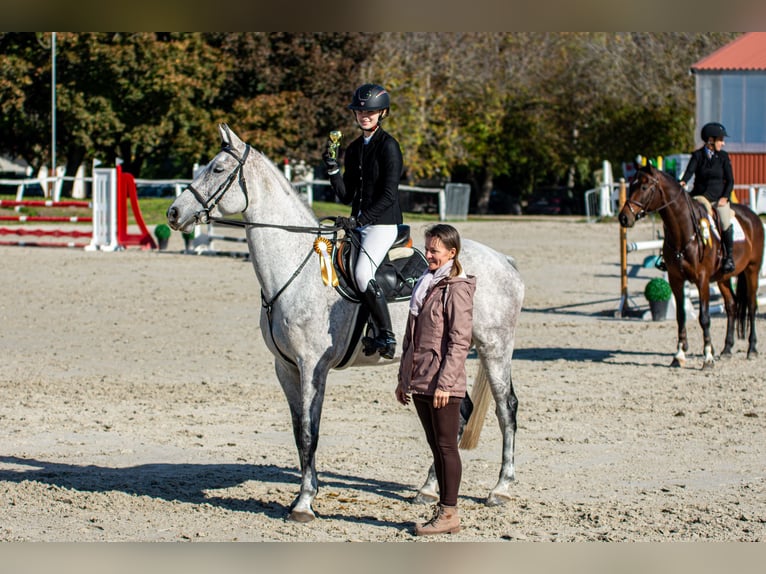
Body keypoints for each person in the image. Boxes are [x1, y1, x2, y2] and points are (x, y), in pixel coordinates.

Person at [395, 224, 476, 536]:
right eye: (427, 248)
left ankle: (449, 511)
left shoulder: (456, 289)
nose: (427, 254)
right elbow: (410, 337)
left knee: (445, 447)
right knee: (435, 446)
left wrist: (446, 383)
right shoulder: (425, 284)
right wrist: (404, 379)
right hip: (420, 378)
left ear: (451, 253)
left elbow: (460, 342)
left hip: (444, 382)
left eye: (434, 251)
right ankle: (445, 508)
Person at [323, 83, 403, 360]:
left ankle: (386, 334)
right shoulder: (355, 148)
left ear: (382, 113)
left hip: (382, 224)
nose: (364, 116)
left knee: (361, 275)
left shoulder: (389, 146)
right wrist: (333, 168)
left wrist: (360, 220)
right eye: (360, 111)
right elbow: (346, 195)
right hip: (358, 223)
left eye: (370, 111)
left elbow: (389, 194)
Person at [679, 121, 736, 274]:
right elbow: (689, 172)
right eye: (720, 140)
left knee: (725, 221)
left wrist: (725, 197)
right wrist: (683, 181)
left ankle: (729, 257)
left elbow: (730, 181)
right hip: (700, 196)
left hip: (719, 198)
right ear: (711, 140)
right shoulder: (697, 156)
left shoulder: (723, 157)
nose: (723, 143)